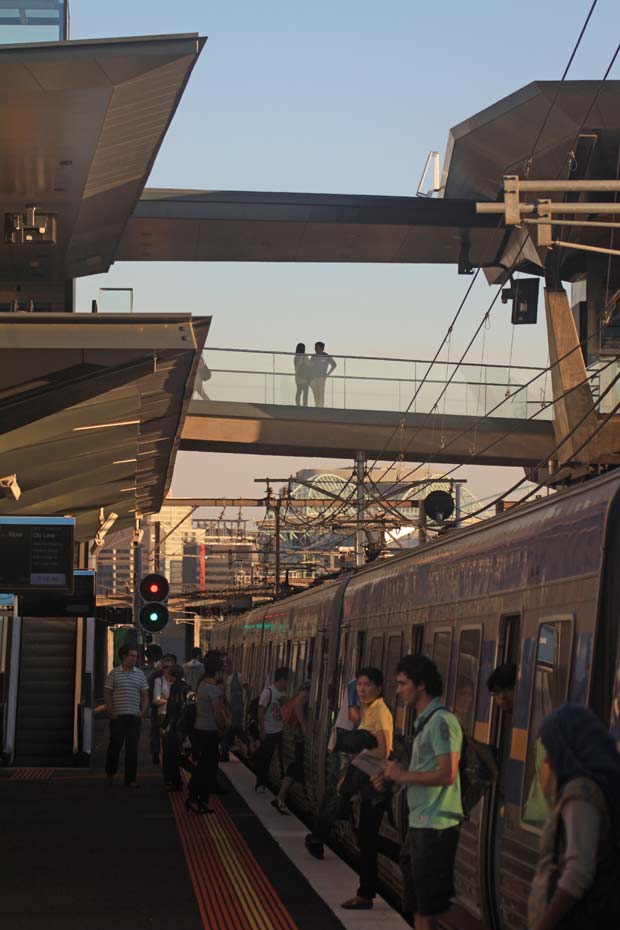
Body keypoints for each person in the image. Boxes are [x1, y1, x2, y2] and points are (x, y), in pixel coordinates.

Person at [378, 655, 462, 930]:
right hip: (421, 822)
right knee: (416, 902)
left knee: (428, 904)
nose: (398, 689)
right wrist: (394, 777)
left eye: (403, 684)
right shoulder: (425, 721)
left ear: (421, 685)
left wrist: (403, 775)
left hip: (436, 824)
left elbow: (447, 773)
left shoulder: (441, 722)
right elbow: (426, 769)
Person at [528, 704, 620, 930]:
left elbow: (579, 872)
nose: (547, 760)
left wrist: (545, 924)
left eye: (550, 751)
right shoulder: (584, 789)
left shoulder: (580, 795)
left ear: (567, 748)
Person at [340, 667, 394, 911]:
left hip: (375, 783)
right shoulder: (369, 710)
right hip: (368, 780)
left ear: (379, 688)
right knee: (366, 837)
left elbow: (383, 750)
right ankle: (366, 891)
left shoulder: (380, 712)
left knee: (367, 839)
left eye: (368, 684)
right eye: (359, 684)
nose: (362, 689)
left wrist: (358, 761)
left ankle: (365, 894)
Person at [305, 675, 361, 857]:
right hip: (349, 746)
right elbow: (355, 717)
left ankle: (325, 836)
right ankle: (318, 838)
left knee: (338, 794)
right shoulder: (357, 685)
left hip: (349, 745)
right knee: (336, 795)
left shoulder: (357, 684)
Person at [187, 652, 228, 814]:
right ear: (217, 673)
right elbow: (218, 716)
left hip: (199, 730)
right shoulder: (213, 691)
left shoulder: (202, 685)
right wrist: (223, 727)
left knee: (204, 767)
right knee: (207, 768)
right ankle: (195, 799)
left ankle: (200, 800)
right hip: (210, 733)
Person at [104, 644, 149, 788]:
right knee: (115, 746)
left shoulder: (140, 674)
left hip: (134, 717)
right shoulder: (114, 673)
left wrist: (143, 711)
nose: (134, 659)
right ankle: (110, 774)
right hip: (118, 717)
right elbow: (107, 692)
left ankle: (130, 779)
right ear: (124, 656)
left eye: (136, 656)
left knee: (132, 748)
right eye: (132, 656)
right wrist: (111, 711)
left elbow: (144, 694)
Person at [271, 677, 310, 815]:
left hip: (296, 733)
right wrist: (304, 726)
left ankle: (281, 796)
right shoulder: (309, 686)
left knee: (297, 764)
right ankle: (281, 796)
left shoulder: (304, 684)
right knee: (297, 764)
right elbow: (298, 705)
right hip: (300, 734)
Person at [253, 666, 290, 791]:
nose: (287, 683)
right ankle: (260, 783)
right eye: (287, 681)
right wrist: (262, 730)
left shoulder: (283, 694)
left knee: (270, 758)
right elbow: (260, 712)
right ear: (282, 679)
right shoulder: (268, 692)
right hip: (268, 731)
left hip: (278, 731)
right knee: (265, 758)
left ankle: (265, 781)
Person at [161, 664, 190, 791]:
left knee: (171, 755)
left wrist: (165, 726)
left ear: (172, 675)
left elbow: (172, 709)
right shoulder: (187, 687)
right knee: (179, 755)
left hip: (175, 727)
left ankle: (176, 783)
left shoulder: (175, 688)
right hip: (185, 726)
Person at [148, 653, 176, 764]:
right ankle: (156, 753)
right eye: (165, 666)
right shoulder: (156, 677)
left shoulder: (177, 677)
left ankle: (160, 755)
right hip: (158, 710)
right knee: (155, 731)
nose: (168, 669)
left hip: (169, 710)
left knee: (162, 735)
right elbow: (153, 696)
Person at [220, 654, 249, 762]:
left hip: (237, 709)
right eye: (223, 667)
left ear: (231, 666)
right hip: (228, 708)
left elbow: (247, 688)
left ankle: (225, 751)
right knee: (231, 729)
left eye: (226, 666)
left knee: (233, 728)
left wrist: (247, 702)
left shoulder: (239, 676)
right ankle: (225, 752)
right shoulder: (223, 678)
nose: (225, 669)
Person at [308, 341, 337, 408]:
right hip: (313, 378)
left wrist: (327, 374)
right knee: (315, 394)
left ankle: (321, 408)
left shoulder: (326, 356)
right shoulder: (313, 356)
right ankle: (317, 407)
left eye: (316, 347)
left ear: (321, 348)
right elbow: (309, 366)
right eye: (315, 347)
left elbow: (334, 365)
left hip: (321, 378)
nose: (315, 349)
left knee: (321, 394)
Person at [294, 343, 310, 407]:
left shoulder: (296, 357)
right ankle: (304, 406)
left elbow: (296, 367)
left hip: (298, 376)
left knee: (299, 392)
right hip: (305, 377)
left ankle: (298, 405)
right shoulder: (304, 356)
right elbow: (309, 365)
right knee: (305, 393)